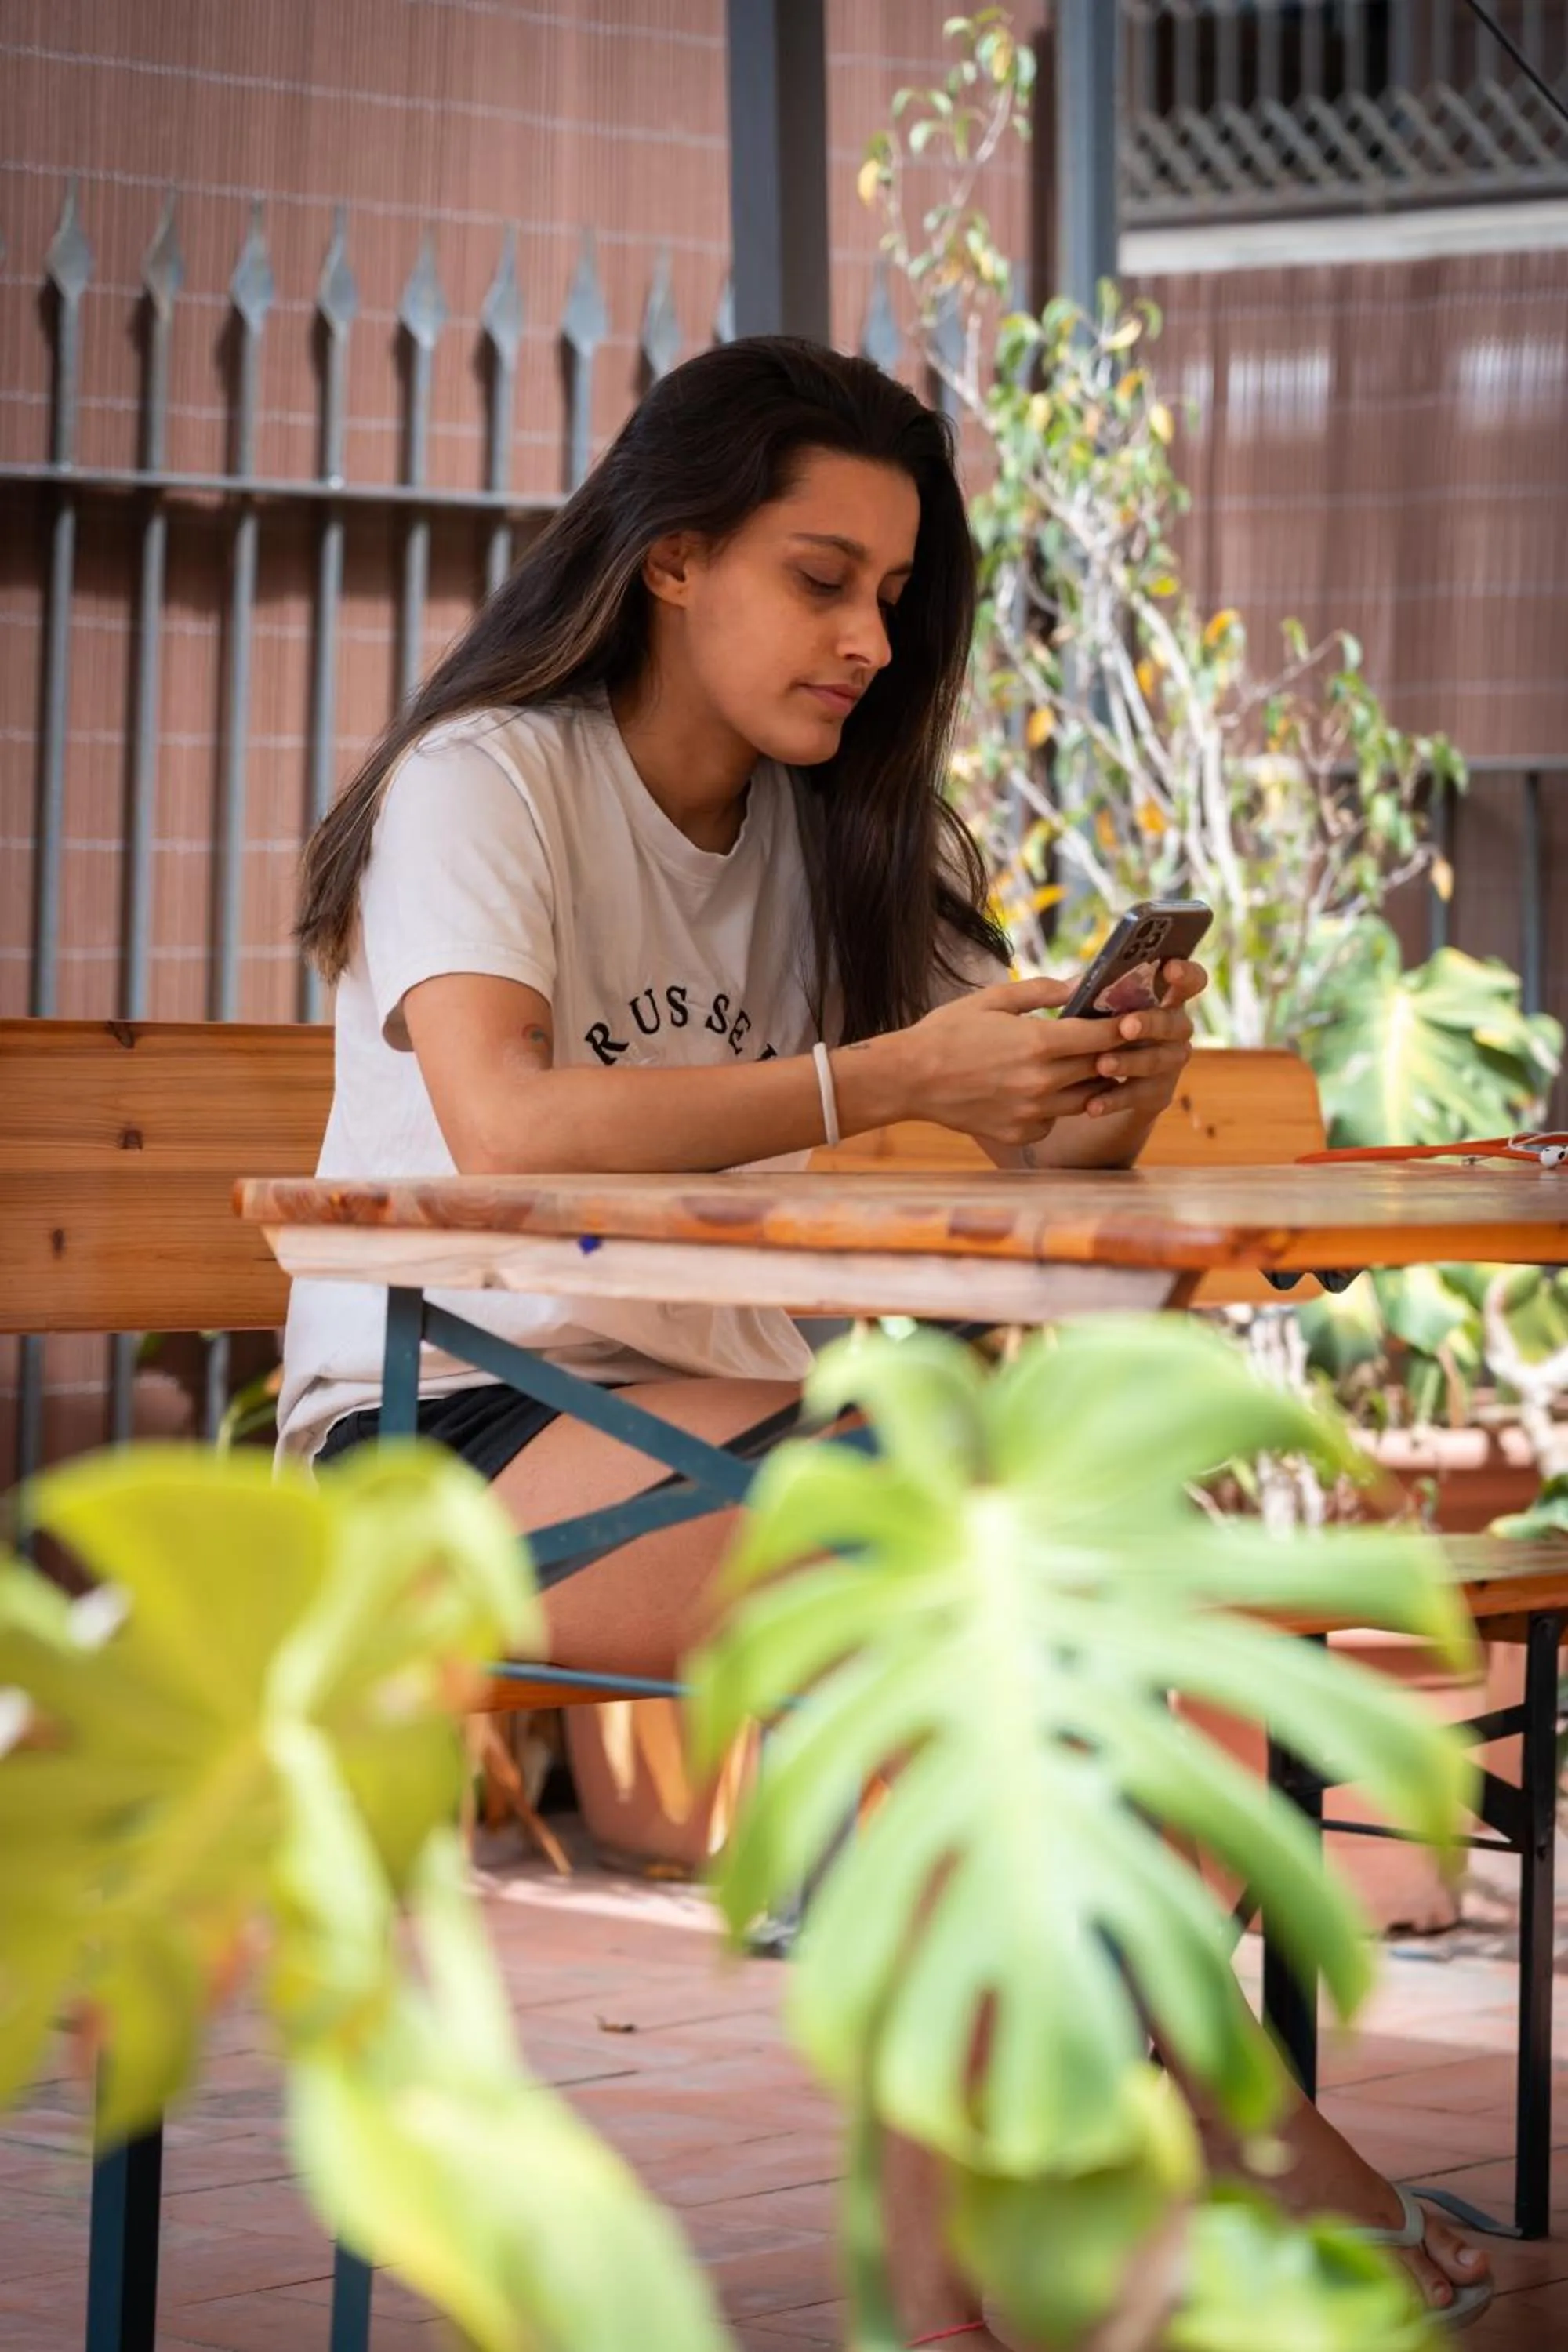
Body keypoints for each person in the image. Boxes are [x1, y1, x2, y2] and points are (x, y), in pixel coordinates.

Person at [284, 338, 1490, 2341]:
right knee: (926, 1546)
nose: (868, 635)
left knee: (1051, 1542)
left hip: (746, 1438)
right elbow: (508, 1125)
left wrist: (1090, 1079)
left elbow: (1019, 1155)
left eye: (892, 595)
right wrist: (881, 1078)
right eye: (819, 577)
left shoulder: (827, 836)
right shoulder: (485, 782)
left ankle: (987, 2258)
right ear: (672, 558)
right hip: (441, 1425)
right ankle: (1186, 2177)